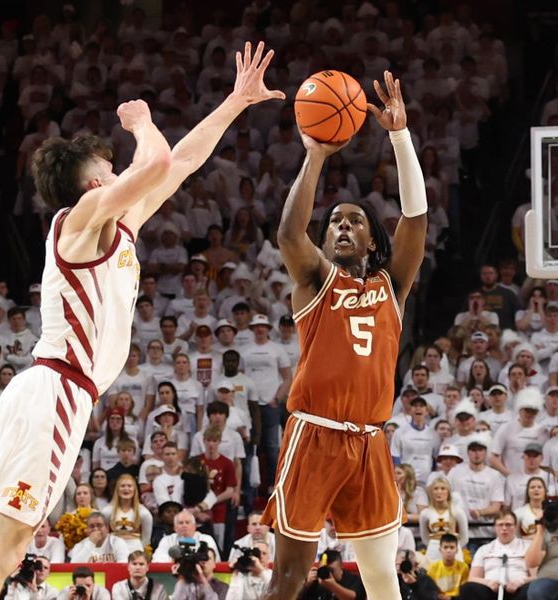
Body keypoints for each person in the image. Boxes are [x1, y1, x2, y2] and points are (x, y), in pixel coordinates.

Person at [0, 41, 285, 600]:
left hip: (43, 387)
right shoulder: (80, 218)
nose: (122, 173)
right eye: (111, 170)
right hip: (57, 393)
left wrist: (237, 101)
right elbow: (160, 159)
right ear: (95, 184)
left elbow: (183, 162)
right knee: (5, 547)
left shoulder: (116, 223)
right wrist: (141, 124)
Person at [262, 70, 428, 600]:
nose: (342, 226)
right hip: (314, 434)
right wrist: (315, 154)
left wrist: (399, 137)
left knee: (380, 575)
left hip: (371, 440)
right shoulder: (314, 279)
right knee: (289, 577)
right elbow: (290, 233)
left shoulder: (391, 285)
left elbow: (416, 218)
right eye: (334, 221)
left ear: (372, 241)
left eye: (354, 221)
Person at [459, 510, 533, 599]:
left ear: (516, 527)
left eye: (508, 525)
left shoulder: (528, 547)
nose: (504, 528)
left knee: (533, 587)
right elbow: (473, 578)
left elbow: (536, 576)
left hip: (519, 590)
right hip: (491, 590)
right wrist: (488, 583)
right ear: (495, 527)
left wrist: (520, 582)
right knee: (468, 588)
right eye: (500, 525)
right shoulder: (484, 549)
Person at [524, 510, 558, 600]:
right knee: (537, 590)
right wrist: (540, 531)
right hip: (549, 580)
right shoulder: (548, 531)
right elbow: (531, 563)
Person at [427, 533, 469, 598]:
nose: (448, 551)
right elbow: (430, 590)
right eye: (445, 547)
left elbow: (465, 591)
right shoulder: (433, 567)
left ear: (457, 550)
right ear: (440, 550)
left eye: (452, 547)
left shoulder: (464, 567)